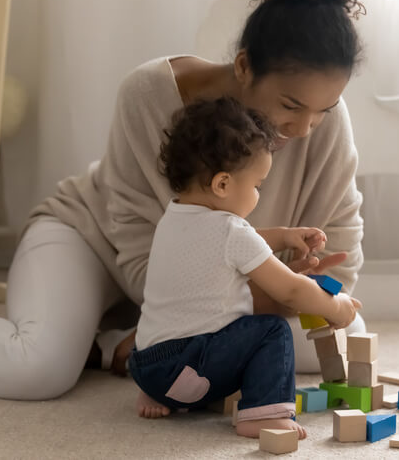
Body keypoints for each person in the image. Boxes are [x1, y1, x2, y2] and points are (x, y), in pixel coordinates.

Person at [0, 0, 366, 400]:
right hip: (93, 240)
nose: (305, 128)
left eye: (325, 109)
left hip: (210, 287)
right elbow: (148, 265)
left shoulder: (323, 125)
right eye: (291, 106)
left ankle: (113, 346)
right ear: (243, 66)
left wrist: (305, 289)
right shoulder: (150, 93)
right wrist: (284, 292)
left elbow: (341, 262)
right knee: (36, 369)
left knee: (336, 338)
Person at [130, 96, 361, 440]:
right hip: (188, 367)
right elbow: (292, 290)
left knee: (192, 337)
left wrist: (283, 237)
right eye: (257, 186)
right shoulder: (230, 231)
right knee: (272, 332)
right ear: (222, 184)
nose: (258, 195)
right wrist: (336, 307)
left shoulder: (174, 217)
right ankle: (263, 413)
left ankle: (161, 392)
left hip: (147, 366)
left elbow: (229, 244)